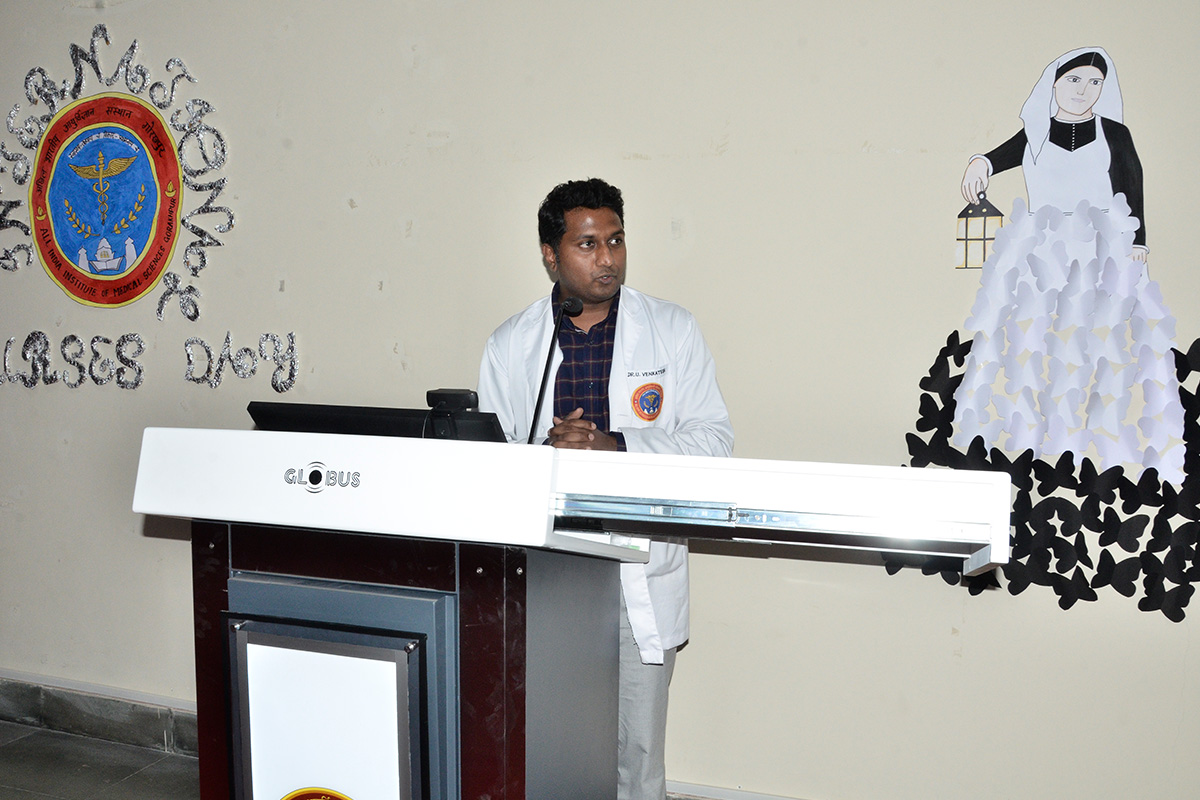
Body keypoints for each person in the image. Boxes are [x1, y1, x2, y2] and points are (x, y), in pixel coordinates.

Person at [477, 177, 733, 799]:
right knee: (546, 742)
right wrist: (545, 454)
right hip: (547, 572)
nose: (607, 258)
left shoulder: (670, 329)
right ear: (550, 254)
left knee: (636, 753)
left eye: (615, 241)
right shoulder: (514, 345)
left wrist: (616, 445)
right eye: (587, 244)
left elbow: (714, 443)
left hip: (635, 566)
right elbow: (489, 463)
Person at [952, 47, 1184, 484]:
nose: (1084, 90)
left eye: (1095, 82)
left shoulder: (1114, 133)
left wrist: (1138, 242)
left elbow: (1132, 184)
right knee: (1033, 343)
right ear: (1054, 83)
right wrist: (978, 162)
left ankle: (1103, 450)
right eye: (1074, 80)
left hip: (1104, 248)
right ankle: (1034, 447)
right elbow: (998, 156)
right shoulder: (1035, 133)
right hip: (1043, 251)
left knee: (1102, 343)